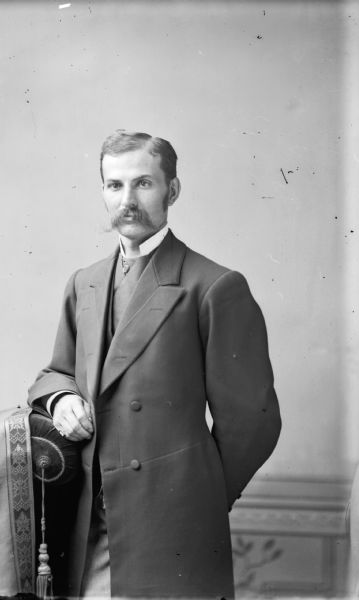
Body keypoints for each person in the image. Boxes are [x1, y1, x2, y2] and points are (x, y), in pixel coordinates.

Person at [28, 129, 281, 599]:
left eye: (143, 183)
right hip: (86, 522)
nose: (127, 199)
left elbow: (253, 422)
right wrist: (61, 397)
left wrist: (196, 498)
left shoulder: (214, 286)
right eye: (115, 185)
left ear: (173, 190)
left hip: (172, 526)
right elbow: (55, 372)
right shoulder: (83, 283)